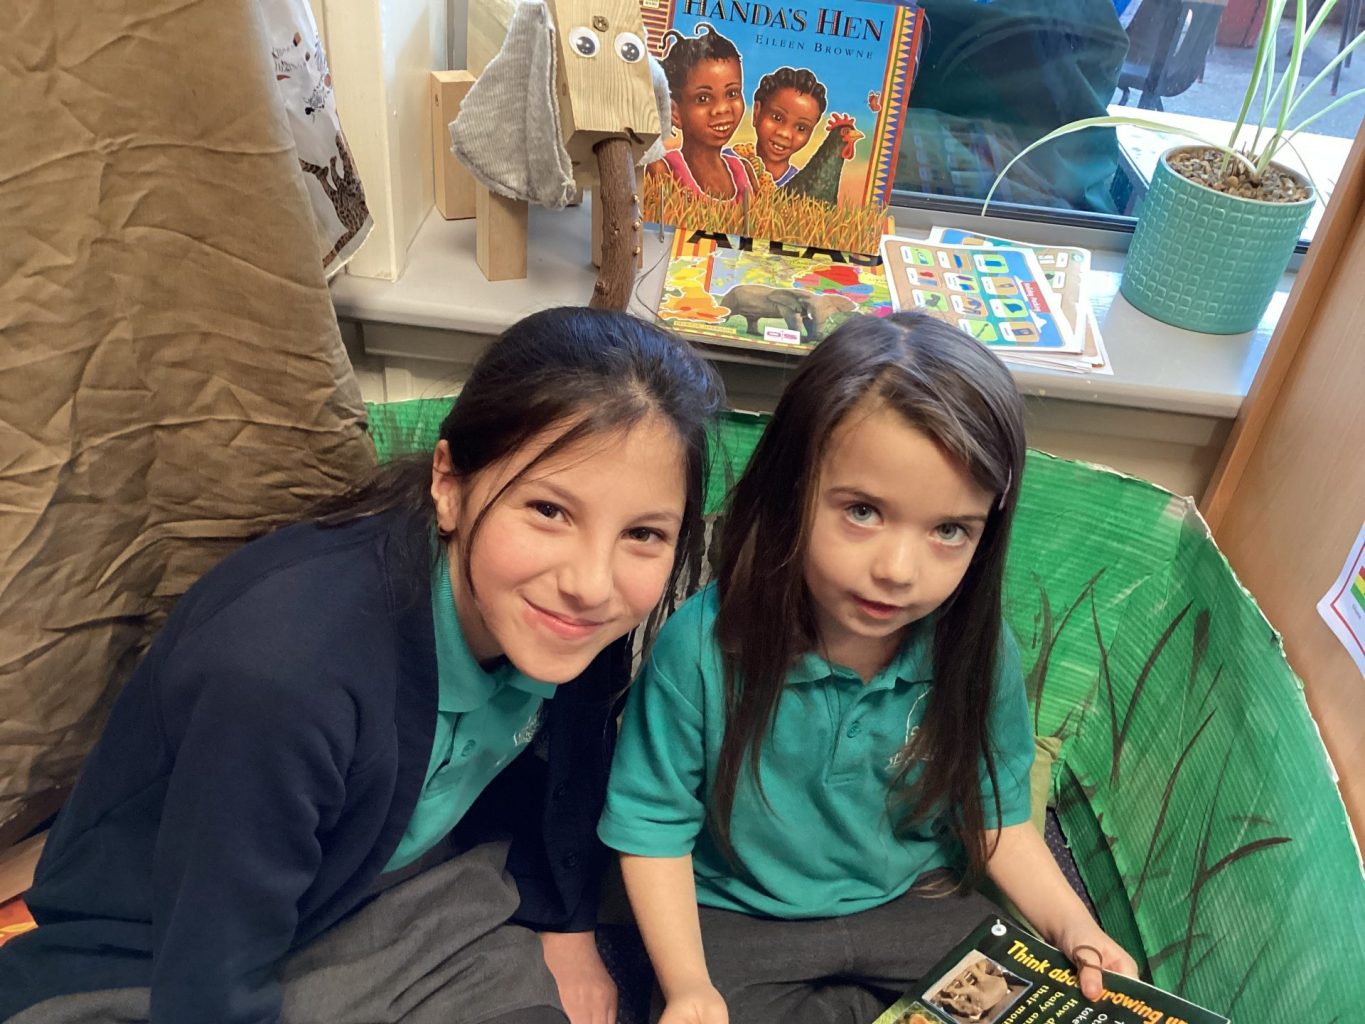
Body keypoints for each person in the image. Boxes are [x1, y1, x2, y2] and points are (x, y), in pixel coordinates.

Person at [0, 307, 725, 1024]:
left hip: (401, 890)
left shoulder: (569, 616)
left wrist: (565, 923)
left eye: (642, 533)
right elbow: (209, 976)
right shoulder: (283, 677)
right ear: (449, 484)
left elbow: (570, 763)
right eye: (548, 510)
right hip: (159, 950)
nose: (591, 584)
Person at [597, 312, 1138, 1024]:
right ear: (793, 491)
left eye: (949, 530)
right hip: (737, 917)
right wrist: (689, 986)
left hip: (915, 903)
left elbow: (996, 817)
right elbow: (653, 828)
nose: (898, 570)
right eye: (862, 512)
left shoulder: (976, 651)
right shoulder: (699, 646)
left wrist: (1075, 928)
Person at [649, 25, 757, 201]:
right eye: (703, 98)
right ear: (674, 112)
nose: (722, 109)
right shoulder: (663, 168)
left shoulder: (744, 171)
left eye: (732, 93)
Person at [749, 67, 827, 186]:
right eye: (777, 118)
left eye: (801, 128)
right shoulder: (725, 163)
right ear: (757, 112)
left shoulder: (801, 187)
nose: (784, 134)